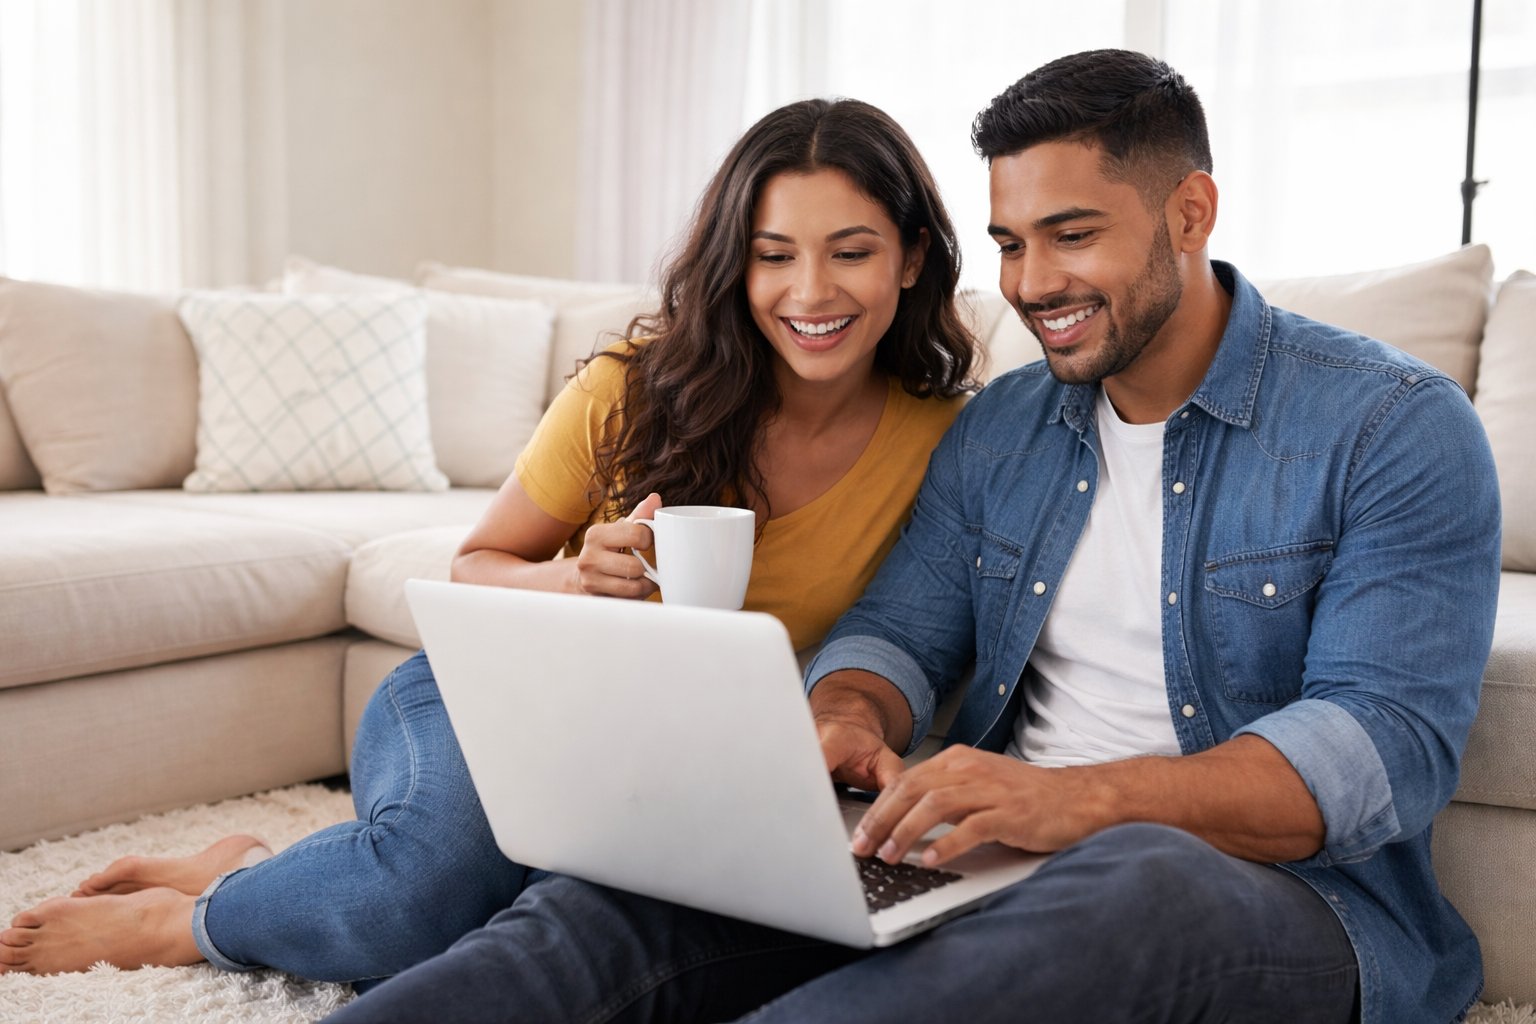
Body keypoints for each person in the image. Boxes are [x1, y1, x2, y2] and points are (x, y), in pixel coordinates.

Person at [321, 49, 1502, 1024]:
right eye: (1011, 242)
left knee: (1125, 886)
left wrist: (1069, 800)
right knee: (612, 905)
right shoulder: (1005, 428)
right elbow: (897, 630)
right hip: (988, 848)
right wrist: (844, 718)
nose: (1032, 282)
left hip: (1263, 893)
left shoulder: (1391, 427)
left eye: (1072, 234)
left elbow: (1378, 751)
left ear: (1189, 213)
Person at [0, 97, 977, 984]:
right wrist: (573, 580)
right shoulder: (636, 387)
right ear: (736, 263)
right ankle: (191, 919)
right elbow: (474, 565)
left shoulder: (950, 439)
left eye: (850, 252)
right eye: (774, 254)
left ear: (912, 257)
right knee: (421, 895)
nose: (810, 290)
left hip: (663, 757)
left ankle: (252, 865)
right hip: (493, 695)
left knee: (545, 917)